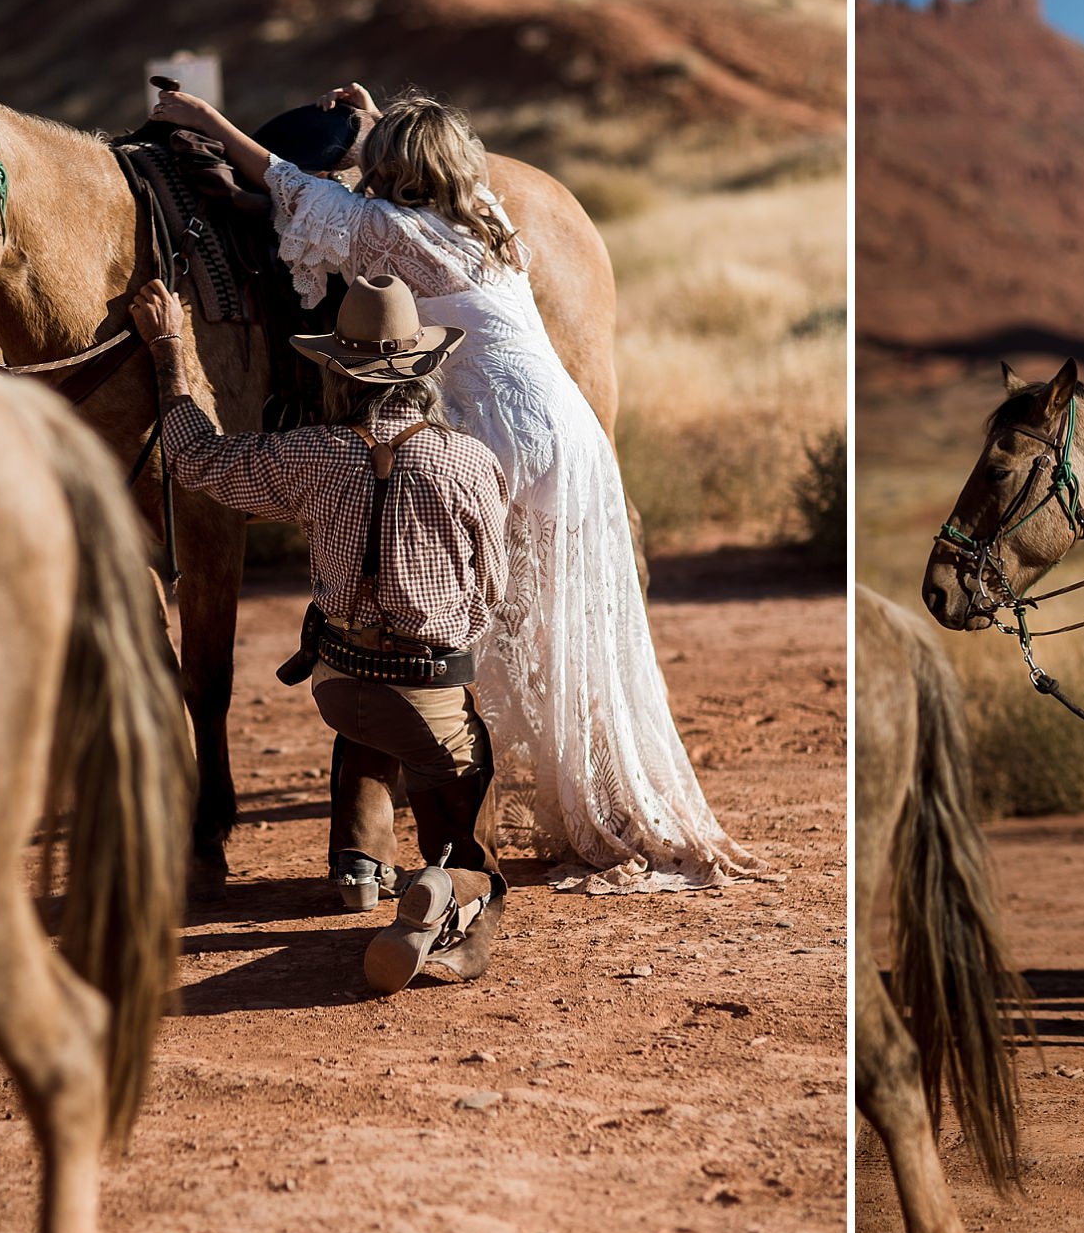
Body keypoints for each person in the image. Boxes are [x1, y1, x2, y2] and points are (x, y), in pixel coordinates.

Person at [148, 81, 757, 892]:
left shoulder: (389, 231)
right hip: (565, 428)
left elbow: (284, 180)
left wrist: (201, 120)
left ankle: (429, 819)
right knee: (564, 620)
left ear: (397, 172)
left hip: (498, 422)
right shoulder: (485, 220)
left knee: (446, 615)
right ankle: (597, 798)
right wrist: (370, 123)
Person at [132, 273, 510, 993]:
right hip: (427, 693)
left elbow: (194, 459)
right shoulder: (468, 461)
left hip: (337, 686)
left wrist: (170, 353)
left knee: (372, 711)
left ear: (339, 375)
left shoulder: (308, 454)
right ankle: (454, 888)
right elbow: (490, 588)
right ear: (422, 368)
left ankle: (361, 862)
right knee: (460, 788)